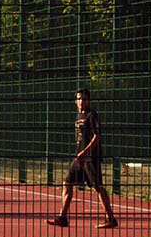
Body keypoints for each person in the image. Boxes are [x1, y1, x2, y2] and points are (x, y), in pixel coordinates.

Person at [49, 88, 118, 229]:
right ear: (76, 101)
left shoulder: (92, 116)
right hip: (79, 158)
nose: (82, 101)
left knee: (97, 187)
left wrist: (86, 152)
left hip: (90, 158)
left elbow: (97, 137)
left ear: (89, 100)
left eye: (85, 99)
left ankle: (110, 218)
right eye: (79, 99)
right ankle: (62, 217)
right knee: (67, 183)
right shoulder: (78, 117)